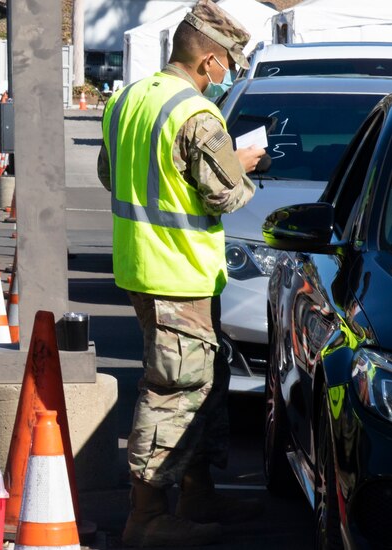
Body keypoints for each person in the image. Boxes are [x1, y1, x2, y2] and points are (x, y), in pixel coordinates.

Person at [97, 1, 267, 547]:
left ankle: (197, 495)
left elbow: (109, 173)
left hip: (142, 267)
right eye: (228, 66)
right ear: (210, 61)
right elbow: (225, 196)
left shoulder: (129, 99)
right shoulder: (196, 115)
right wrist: (243, 165)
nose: (228, 76)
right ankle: (146, 517)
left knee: (197, 384)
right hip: (180, 274)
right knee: (172, 392)